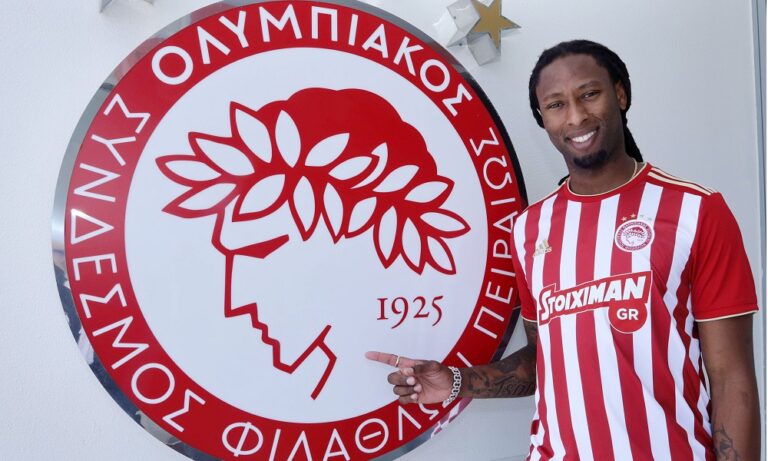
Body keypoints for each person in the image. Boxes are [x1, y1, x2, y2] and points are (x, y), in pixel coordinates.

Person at [366, 39, 760, 460]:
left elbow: (731, 378)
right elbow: (544, 358)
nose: (575, 116)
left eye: (589, 94)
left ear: (620, 94)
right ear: (543, 118)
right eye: (556, 105)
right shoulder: (528, 229)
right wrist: (456, 382)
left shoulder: (696, 211)